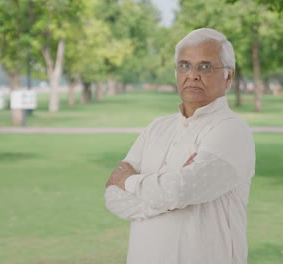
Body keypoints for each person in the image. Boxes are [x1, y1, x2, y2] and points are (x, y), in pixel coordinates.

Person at [105, 28, 256, 264]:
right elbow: (113, 197)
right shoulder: (156, 128)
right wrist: (168, 192)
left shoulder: (231, 130)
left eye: (205, 67)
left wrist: (129, 181)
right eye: (185, 66)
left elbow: (180, 190)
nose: (193, 75)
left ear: (228, 76)